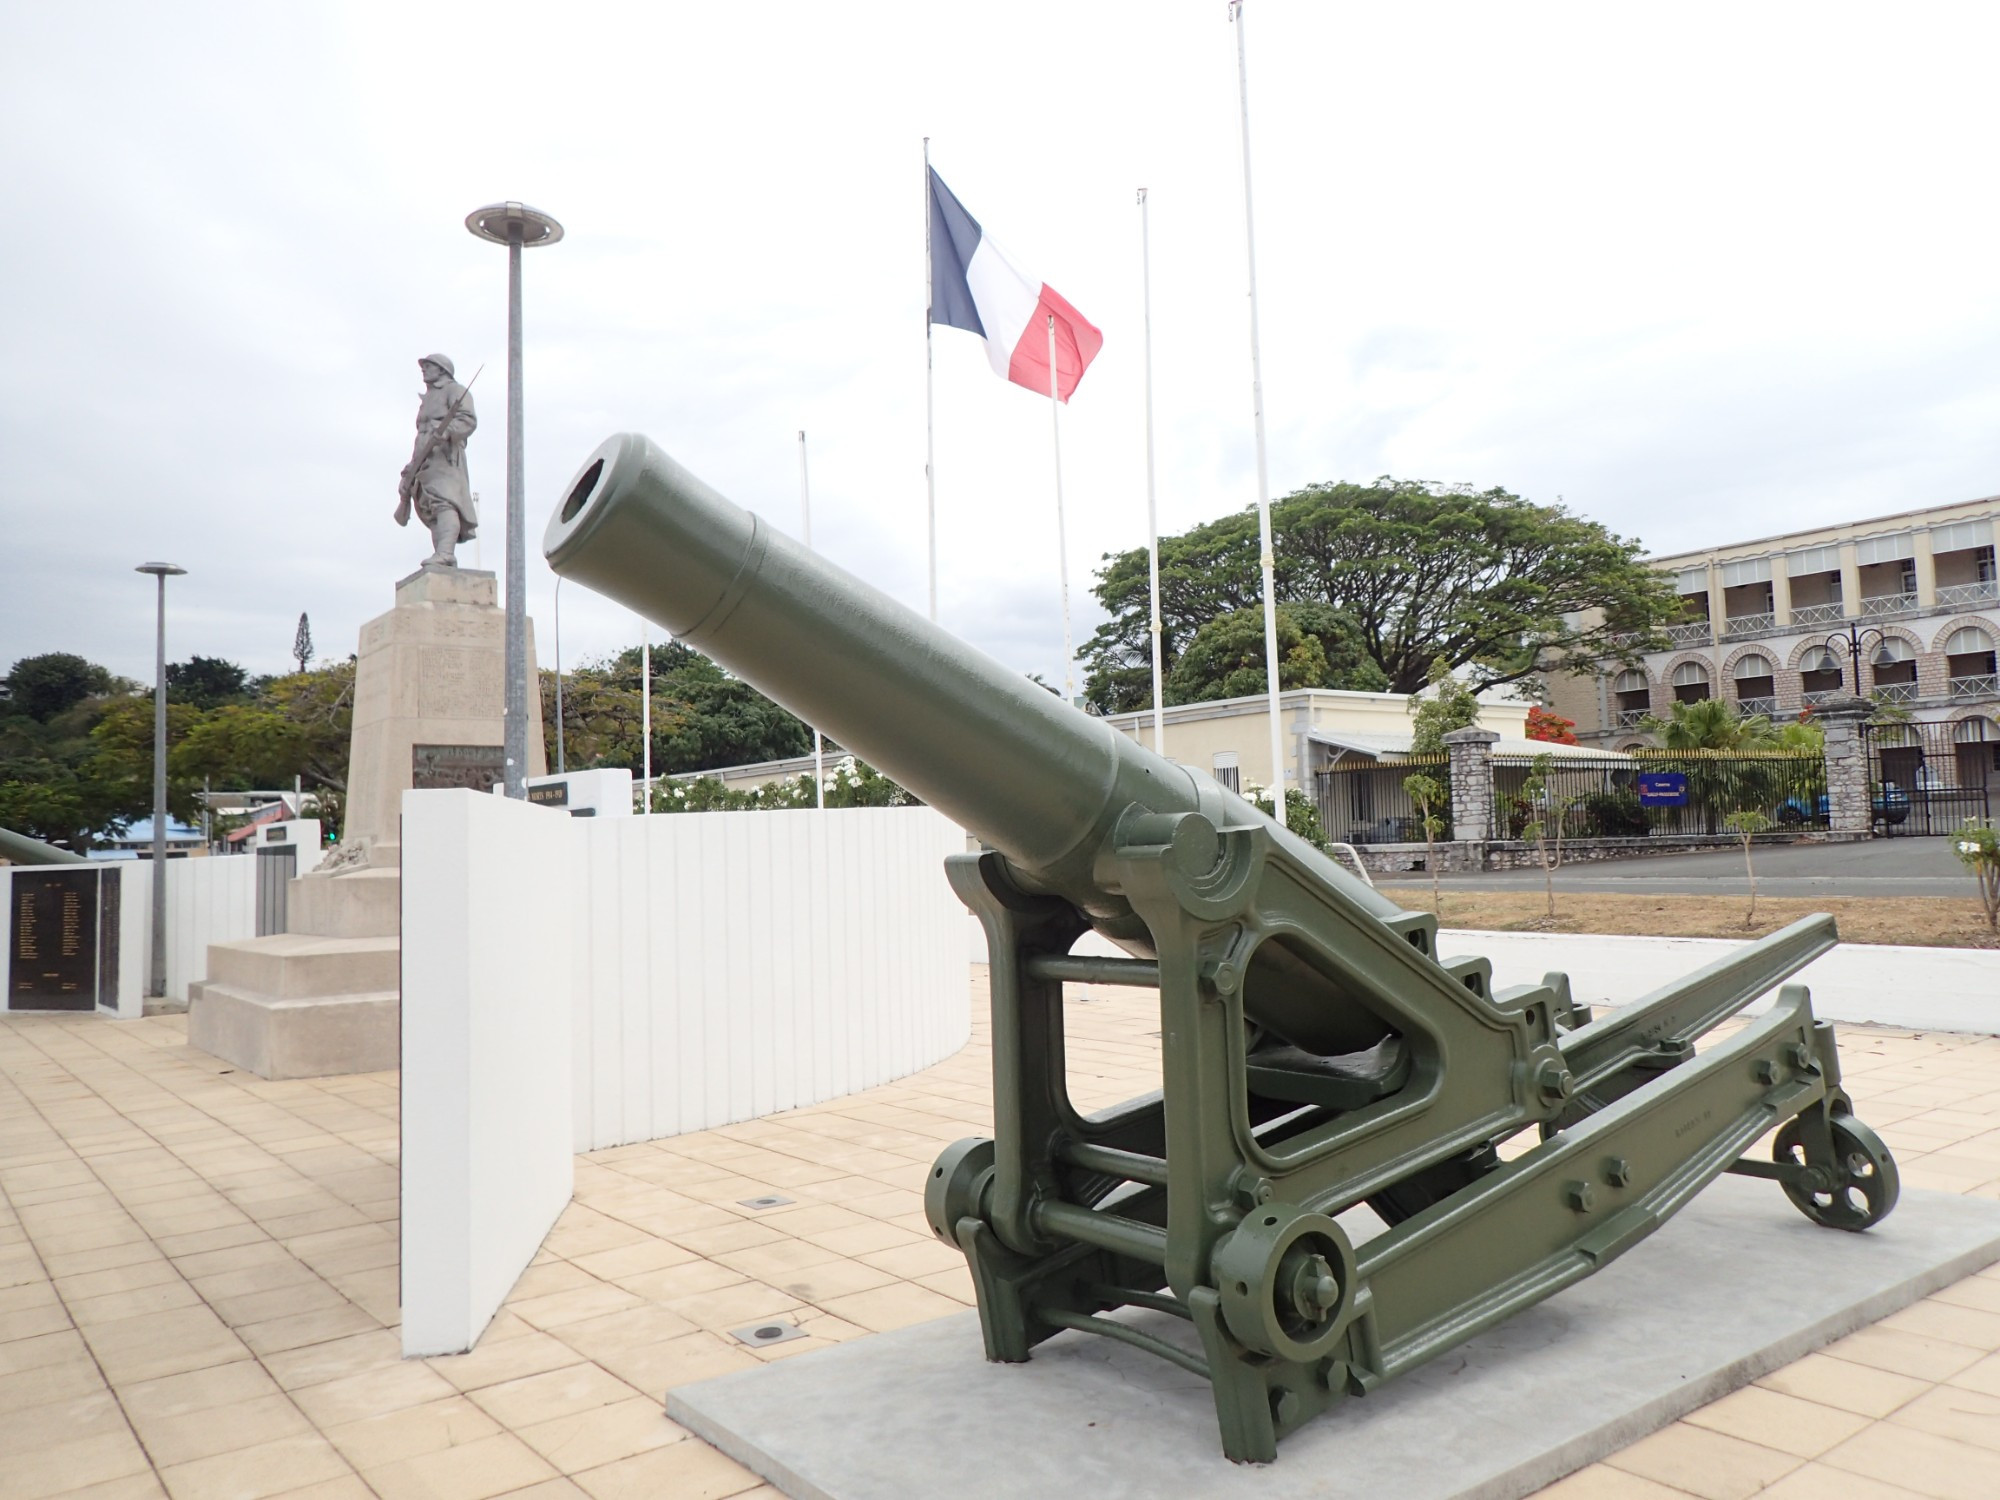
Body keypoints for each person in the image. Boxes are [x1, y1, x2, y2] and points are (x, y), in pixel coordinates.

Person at [396, 354, 478, 567]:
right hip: (424, 458)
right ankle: (440, 554)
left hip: (444, 456)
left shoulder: (455, 390)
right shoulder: (428, 398)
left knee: (444, 501)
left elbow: (467, 419)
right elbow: (421, 433)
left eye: (428, 366)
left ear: (442, 370)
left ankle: (445, 552)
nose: (424, 370)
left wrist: (447, 431)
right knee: (430, 508)